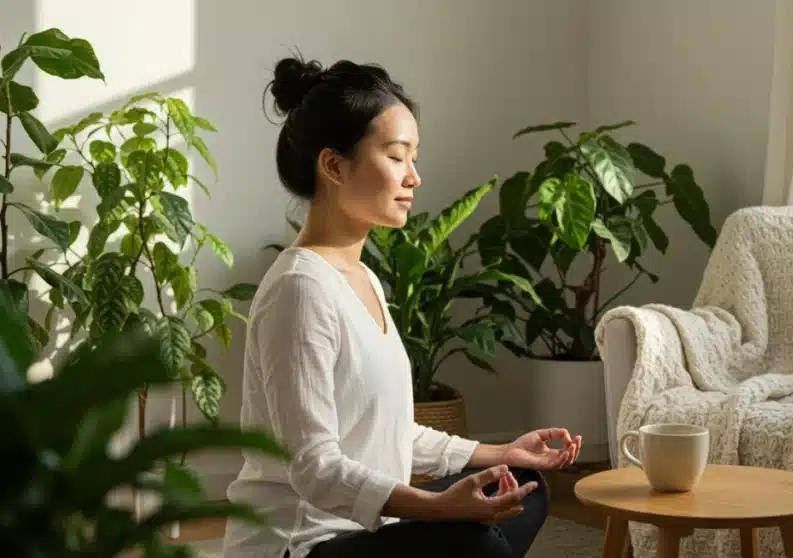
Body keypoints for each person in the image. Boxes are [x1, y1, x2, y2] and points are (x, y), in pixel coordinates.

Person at [220, 56, 584, 558]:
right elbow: (315, 468)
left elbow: (389, 433)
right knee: (477, 546)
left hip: (367, 530)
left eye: (414, 157)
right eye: (396, 156)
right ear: (333, 165)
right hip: (303, 544)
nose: (414, 177)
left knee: (521, 485)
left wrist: (501, 452)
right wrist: (439, 509)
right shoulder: (300, 289)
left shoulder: (362, 276)